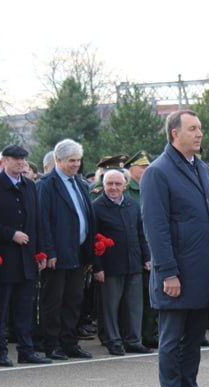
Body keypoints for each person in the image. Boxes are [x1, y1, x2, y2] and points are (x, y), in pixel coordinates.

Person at [141, 110, 209, 387]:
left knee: (193, 340)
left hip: (202, 270)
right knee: (171, 340)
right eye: (192, 128)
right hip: (176, 274)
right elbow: (156, 228)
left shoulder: (201, 168)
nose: (199, 133)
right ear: (175, 133)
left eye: (200, 127)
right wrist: (167, 272)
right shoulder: (158, 172)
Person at [0, 144, 52, 366]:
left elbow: (37, 221)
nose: (20, 162)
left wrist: (41, 252)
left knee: (24, 307)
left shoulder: (29, 185)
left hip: (27, 257)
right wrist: (10, 234)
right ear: (4, 161)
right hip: (4, 256)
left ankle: (26, 349)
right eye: (15, 159)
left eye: (22, 159)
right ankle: (0, 352)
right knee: (0, 308)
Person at [37, 138, 96, 361]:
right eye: (71, 161)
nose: (76, 165)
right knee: (54, 301)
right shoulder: (46, 184)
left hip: (78, 252)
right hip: (58, 253)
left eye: (78, 160)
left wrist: (89, 253)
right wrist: (49, 252)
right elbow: (43, 221)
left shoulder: (80, 184)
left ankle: (69, 342)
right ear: (58, 160)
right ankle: (52, 344)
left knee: (74, 299)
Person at [92, 169, 150, 356]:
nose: (114, 187)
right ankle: (114, 341)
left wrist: (146, 257)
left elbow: (140, 233)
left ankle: (134, 341)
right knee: (110, 307)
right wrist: (97, 267)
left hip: (134, 263)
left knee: (134, 306)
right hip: (110, 266)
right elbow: (92, 240)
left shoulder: (132, 205)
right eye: (110, 184)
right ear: (103, 185)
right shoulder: (96, 207)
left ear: (125, 186)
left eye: (118, 184)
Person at [124, 151, 159, 349]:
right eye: (142, 167)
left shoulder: (150, 186)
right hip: (136, 250)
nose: (146, 170)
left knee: (153, 293)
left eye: (147, 166)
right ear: (131, 169)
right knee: (138, 298)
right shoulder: (127, 190)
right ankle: (138, 335)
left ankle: (151, 333)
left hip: (152, 246)